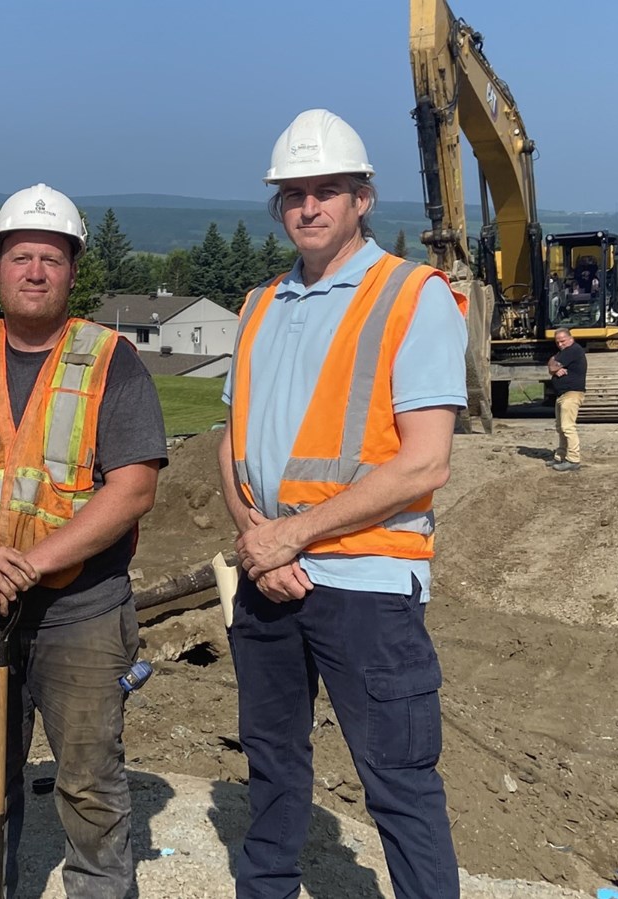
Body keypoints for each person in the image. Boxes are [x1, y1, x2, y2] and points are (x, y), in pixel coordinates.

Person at [219, 108, 465, 899]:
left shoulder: (411, 295)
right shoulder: (259, 303)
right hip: (269, 574)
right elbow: (231, 441)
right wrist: (257, 536)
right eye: (294, 193)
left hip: (367, 584)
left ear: (364, 198)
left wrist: (290, 535)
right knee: (272, 766)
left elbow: (425, 462)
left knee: (397, 780)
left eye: (328, 190)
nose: (309, 206)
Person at [0, 183, 167, 898]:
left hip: (81, 610)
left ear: (73, 270)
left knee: (89, 782)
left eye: (52, 257)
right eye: (22, 256)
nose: (36, 271)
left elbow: (134, 486)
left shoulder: (112, 359)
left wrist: (31, 564)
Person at [548, 328, 587, 471]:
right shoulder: (563, 353)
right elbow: (551, 364)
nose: (560, 344)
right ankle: (561, 456)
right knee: (560, 427)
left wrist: (553, 367)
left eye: (563, 341)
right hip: (562, 394)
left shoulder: (573, 350)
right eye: (557, 342)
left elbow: (552, 365)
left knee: (568, 427)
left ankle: (573, 459)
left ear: (571, 338)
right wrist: (554, 367)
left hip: (572, 394)